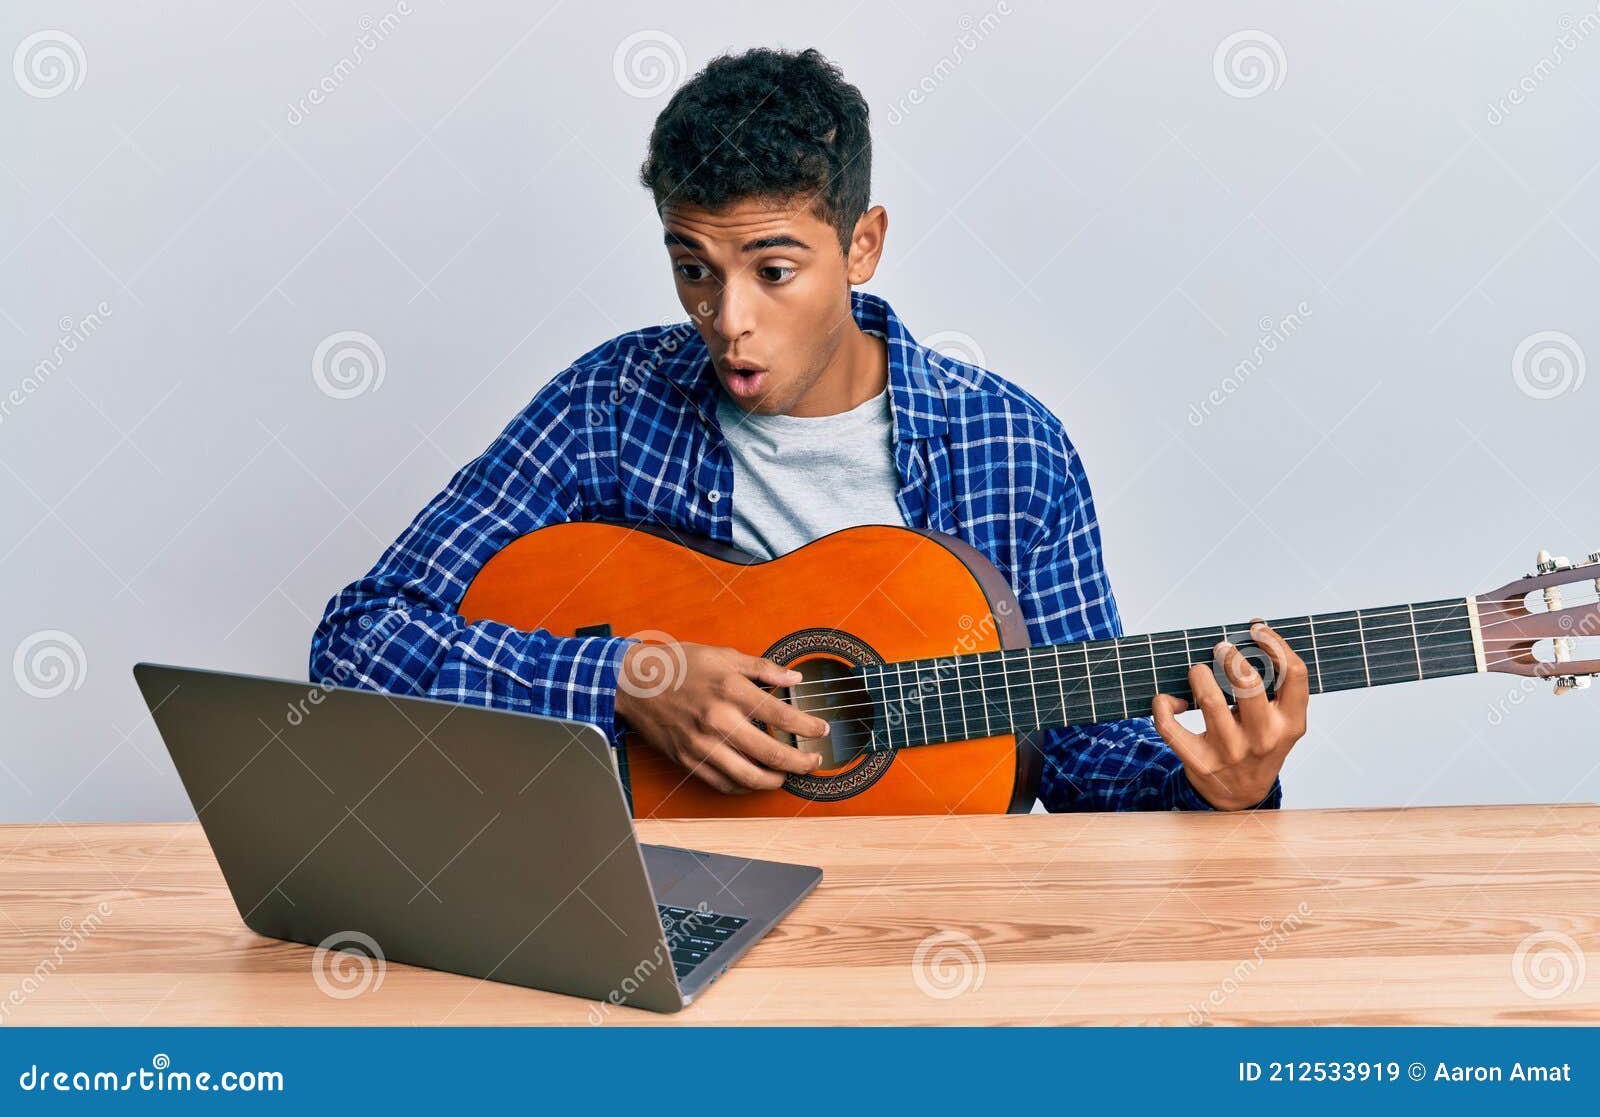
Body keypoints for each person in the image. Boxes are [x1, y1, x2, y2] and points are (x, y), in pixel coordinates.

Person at [309, 47, 1308, 812]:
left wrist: (1226, 784)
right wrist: (625, 676)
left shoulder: (1010, 446)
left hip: (929, 935)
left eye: (772, 270)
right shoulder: (607, 407)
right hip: (660, 906)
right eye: (693, 266)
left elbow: (1083, 762)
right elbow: (357, 644)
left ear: (860, 244)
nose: (727, 316)